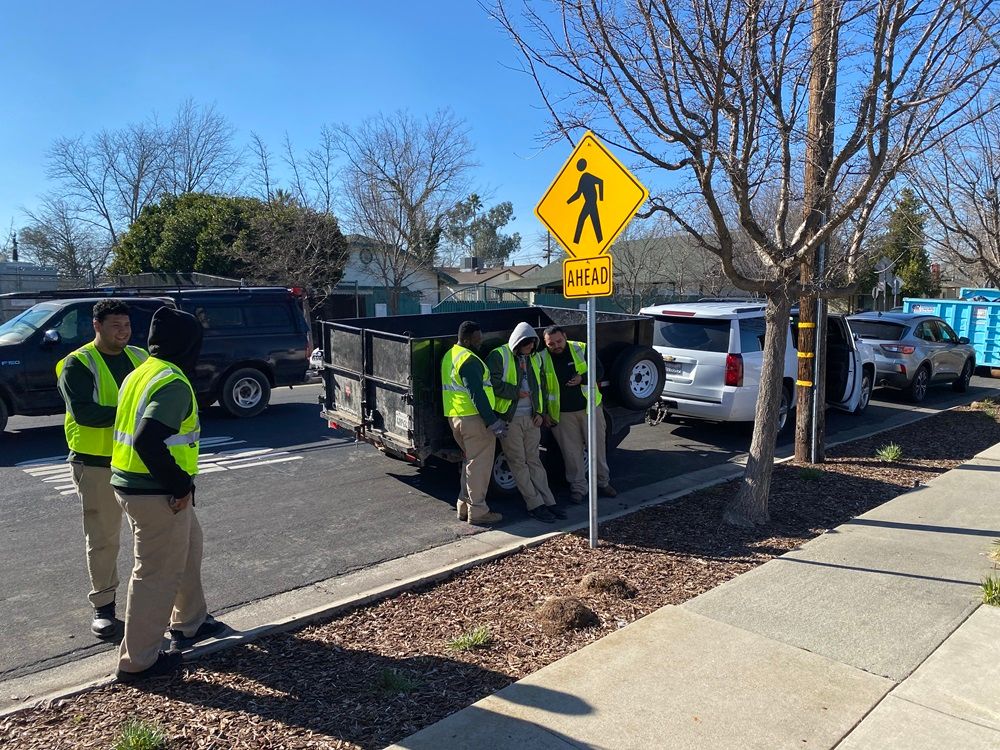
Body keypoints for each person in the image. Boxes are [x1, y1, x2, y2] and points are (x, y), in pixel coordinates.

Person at [111, 306, 226, 682]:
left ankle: (190, 622)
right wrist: (178, 485)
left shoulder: (141, 372)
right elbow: (148, 440)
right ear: (188, 345)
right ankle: (138, 662)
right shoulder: (173, 383)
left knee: (191, 545)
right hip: (158, 491)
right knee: (155, 574)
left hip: (135, 484)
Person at [56, 299, 149, 638]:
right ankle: (103, 607)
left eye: (126, 325)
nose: (123, 331)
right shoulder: (78, 363)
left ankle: (155, 604)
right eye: (115, 326)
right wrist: (137, 414)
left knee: (152, 535)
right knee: (104, 538)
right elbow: (85, 413)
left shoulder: (140, 357)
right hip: (96, 464)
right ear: (97, 326)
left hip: (138, 460)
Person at [487, 322, 565, 523]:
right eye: (528, 345)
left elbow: (541, 387)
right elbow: (491, 384)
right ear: (518, 343)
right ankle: (535, 504)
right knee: (518, 463)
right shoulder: (499, 355)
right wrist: (515, 393)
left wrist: (540, 411)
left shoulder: (534, 358)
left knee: (534, 461)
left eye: (533, 345)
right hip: (510, 420)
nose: (531, 349)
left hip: (531, 418)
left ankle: (549, 502)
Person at [538, 325, 617, 504]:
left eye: (559, 341)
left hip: (590, 408)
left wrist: (583, 378)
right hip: (563, 414)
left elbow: (599, 371)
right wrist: (544, 413)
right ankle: (578, 488)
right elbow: (540, 388)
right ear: (545, 343)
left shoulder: (580, 348)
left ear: (565, 336)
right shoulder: (541, 358)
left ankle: (603, 483)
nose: (556, 346)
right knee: (571, 454)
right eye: (551, 344)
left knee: (597, 448)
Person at [441, 320, 505, 526]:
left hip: (456, 416)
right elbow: (477, 394)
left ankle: (464, 506)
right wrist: (493, 422)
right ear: (467, 339)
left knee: (469, 462)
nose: (481, 343)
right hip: (474, 420)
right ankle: (478, 511)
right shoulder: (470, 360)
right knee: (479, 466)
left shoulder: (451, 355)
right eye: (477, 340)